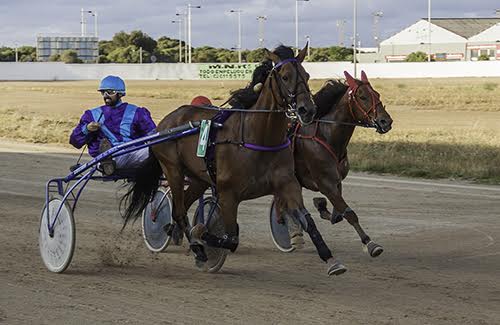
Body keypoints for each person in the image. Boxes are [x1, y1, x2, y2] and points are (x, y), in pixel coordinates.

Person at [69, 75, 156, 175]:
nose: (106, 96)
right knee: (157, 153)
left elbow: (153, 135)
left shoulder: (137, 112)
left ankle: (107, 161)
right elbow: (74, 142)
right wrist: (86, 129)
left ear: (120, 94)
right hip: (112, 156)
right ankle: (106, 159)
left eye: (110, 92)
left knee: (158, 150)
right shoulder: (91, 115)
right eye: (103, 92)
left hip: (132, 154)